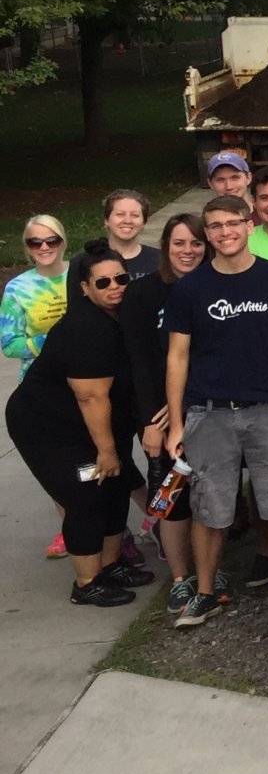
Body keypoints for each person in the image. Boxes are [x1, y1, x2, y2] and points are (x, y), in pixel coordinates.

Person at [165, 195, 268, 626]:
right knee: (211, 505)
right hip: (210, 412)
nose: (225, 233)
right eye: (215, 226)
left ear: (250, 225)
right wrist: (175, 423)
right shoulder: (190, 288)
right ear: (207, 234)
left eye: (232, 223)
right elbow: (178, 356)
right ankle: (205, 591)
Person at [9, 240, 151, 606]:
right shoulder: (87, 328)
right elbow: (91, 397)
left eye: (120, 278)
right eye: (102, 283)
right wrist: (106, 451)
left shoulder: (123, 316)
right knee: (87, 494)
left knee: (116, 488)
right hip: (50, 427)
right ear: (85, 288)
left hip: (94, 421)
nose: (114, 286)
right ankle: (87, 583)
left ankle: (110, 564)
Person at [122, 214, 207, 609]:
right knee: (170, 495)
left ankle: (210, 567)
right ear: (165, 248)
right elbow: (139, 362)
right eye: (178, 243)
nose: (187, 251)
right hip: (161, 411)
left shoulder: (213, 287)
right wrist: (149, 423)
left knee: (210, 494)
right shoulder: (144, 295)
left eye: (195, 243)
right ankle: (178, 576)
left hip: (208, 405)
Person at [2, 215, 69, 378]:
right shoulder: (16, 289)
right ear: (27, 248)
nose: (44, 247)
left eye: (52, 241)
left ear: (62, 243)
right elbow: (10, 346)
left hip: (89, 377)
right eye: (35, 242)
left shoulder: (84, 274)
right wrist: (56, 341)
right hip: (39, 379)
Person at [100, 190, 158, 278]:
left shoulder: (160, 261)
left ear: (144, 223)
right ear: (106, 220)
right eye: (120, 214)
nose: (127, 221)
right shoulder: (84, 262)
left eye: (135, 215)